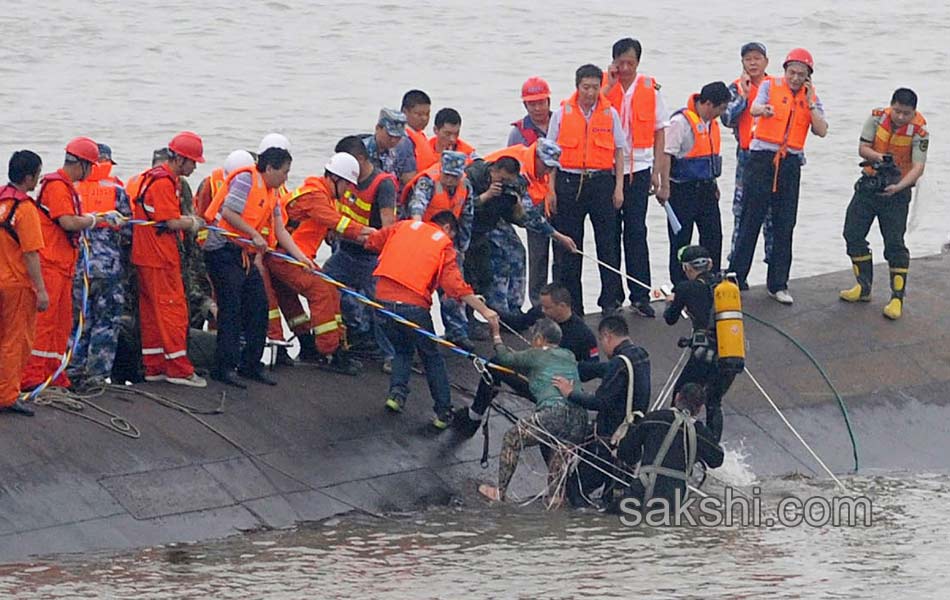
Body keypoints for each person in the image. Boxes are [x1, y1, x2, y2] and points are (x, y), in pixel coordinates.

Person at [364, 211, 499, 429]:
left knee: (401, 349)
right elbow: (453, 285)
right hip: (413, 307)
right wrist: (484, 310)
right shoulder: (443, 245)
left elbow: (372, 241)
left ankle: (396, 395)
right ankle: (443, 411)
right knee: (431, 356)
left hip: (382, 302)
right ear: (447, 229)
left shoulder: (403, 226)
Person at [202, 136, 315, 387]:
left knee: (259, 305)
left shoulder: (272, 191)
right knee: (231, 309)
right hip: (222, 251)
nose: (286, 178)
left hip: (243, 255)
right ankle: (224, 367)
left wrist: (301, 258)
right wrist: (253, 234)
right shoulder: (246, 179)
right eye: (284, 172)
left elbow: (281, 230)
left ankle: (251, 364)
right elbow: (229, 212)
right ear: (271, 168)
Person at [728, 48, 829, 304]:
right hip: (762, 159)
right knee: (750, 218)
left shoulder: (811, 97)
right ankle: (736, 277)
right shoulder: (770, 85)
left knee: (785, 223)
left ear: (808, 77)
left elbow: (822, 130)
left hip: (790, 162)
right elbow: (754, 109)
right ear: (784, 71)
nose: (795, 78)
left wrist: (810, 102)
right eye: (792, 72)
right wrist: (764, 110)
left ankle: (778, 283)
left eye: (801, 74)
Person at [454, 283, 601, 436]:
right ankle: (474, 416)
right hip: (533, 376)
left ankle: (475, 415)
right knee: (494, 365)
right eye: (542, 307)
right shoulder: (542, 313)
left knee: (499, 363)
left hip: (556, 390)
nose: (543, 311)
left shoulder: (583, 334)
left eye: (547, 308)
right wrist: (487, 308)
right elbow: (518, 322)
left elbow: (593, 368)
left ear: (562, 306)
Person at [274, 149, 373, 373]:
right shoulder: (315, 196)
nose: (348, 191)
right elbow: (339, 224)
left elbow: (326, 224)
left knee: (326, 290)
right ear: (334, 179)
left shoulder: (321, 194)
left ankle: (314, 344)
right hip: (286, 257)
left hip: (292, 256)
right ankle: (328, 351)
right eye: (347, 185)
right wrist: (374, 234)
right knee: (321, 290)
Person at [478, 318, 590, 504]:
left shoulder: (536, 353)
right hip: (579, 416)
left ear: (539, 338)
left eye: (533, 338)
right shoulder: (569, 355)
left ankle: (500, 492)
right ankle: (555, 498)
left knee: (512, 439)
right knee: (559, 454)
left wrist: (496, 335)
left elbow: (504, 358)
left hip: (554, 411)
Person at [126, 133, 208, 387]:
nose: (194, 167)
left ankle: (155, 366)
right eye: (193, 162)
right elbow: (170, 221)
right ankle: (179, 369)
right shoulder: (163, 182)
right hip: (160, 259)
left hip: (146, 256)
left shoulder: (151, 178)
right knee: (173, 312)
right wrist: (192, 222)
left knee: (151, 314)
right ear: (180, 159)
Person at [840, 88, 928, 320]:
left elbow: (918, 167)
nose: (900, 117)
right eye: (897, 111)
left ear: (914, 112)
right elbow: (863, 148)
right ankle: (863, 286)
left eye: (906, 113)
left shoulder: (920, 131)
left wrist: (899, 186)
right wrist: (880, 159)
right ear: (891, 106)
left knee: (895, 245)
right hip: (870, 185)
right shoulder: (877, 117)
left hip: (897, 193)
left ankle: (897, 298)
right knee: (852, 233)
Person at [21, 138, 100, 390]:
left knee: (62, 323)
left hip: (63, 265)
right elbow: (67, 222)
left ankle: (53, 373)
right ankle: (32, 375)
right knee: (45, 324)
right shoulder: (56, 186)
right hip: (50, 264)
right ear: (84, 164)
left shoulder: (67, 187)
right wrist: (92, 220)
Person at [548, 63, 627, 316]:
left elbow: (619, 151)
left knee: (608, 243)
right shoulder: (562, 114)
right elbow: (550, 156)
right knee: (570, 246)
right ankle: (574, 306)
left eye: (595, 87)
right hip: (569, 183)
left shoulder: (610, 113)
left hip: (601, 182)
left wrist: (619, 188)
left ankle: (610, 301)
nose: (591, 93)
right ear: (577, 87)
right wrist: (551, 190)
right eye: (586, 87)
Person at [553, 315, 651, 505]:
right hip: (632, 440)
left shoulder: (618, 362)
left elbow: (600, 402)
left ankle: (579, 529)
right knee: (613, 498)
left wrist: (570, 393)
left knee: (575, 488)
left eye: (601, 340)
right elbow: (616, 379)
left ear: (607, 336)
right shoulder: (642, 355)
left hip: (609, 442)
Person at [604, 38, 670, 317]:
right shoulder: (603, 88)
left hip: (640, 168)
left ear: (638, 62)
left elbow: (660, 131)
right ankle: (611, 297)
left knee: (636, 231)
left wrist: (657, 170)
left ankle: (640, 294)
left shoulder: (651, 89)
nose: (626, 68)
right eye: (621, 63)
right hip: (608, 168)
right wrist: (608, 83)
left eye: (631, 62)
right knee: (608, 234)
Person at [322, 135, 397, 360]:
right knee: (324, 283)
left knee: (382, 308)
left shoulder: (382, 184)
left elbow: (388, 228)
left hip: (370, 258)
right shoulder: (343, 181)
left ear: (361, 159)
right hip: (345, 252)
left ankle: (392, 356)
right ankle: (357, 335)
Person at [481, 139, 577, 308]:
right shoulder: (521, 171)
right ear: (537, 158)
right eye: (546, 166)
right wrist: (557, 235)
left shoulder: (533, 170)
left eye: (551, 168)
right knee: (507, 256)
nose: (548, 171)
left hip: (498, 210)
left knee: (517, 253)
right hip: (481, 211)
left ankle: (514, 307)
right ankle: (503, 309)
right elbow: (528, 215)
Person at [68, 143, 132, 389]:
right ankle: (96, 376)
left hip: (78, 267)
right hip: (108, 268)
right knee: (106, 323)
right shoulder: (115, 189)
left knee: (79, 322)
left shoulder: (70, 188)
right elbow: (128, 231)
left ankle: (72, 371)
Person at [659, 82, 732, 285]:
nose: (722, 113)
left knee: (713, 236)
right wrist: (664, 186)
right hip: (682, 190)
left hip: (707, 189)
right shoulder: (680, 123)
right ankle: (680, 285)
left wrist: (715, 185)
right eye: (721, 108)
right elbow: (666, 155)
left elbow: (708, 157)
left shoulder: (711, 123)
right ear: (708, 104)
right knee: (681, 241)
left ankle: (710, 281)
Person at [403, 150, 477, 350]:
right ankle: (421, 335)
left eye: (455, 176)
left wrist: (462, 247)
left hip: (449, 244)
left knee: (453, 290)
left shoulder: (466, 186)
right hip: (425, 242)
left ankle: (457, 333)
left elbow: (467, 218)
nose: (450, 180)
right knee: (419, 292)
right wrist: (417, 228)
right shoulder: (428, 182)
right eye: (447, 175)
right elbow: (417, 206)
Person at [664, 245, 737, 442]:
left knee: (681, 397)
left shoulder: (685, 288)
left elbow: (669, 318)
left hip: (703, 356)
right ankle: (713, 446)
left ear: (687, 268)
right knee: (713, 402)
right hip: (732, 353)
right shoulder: (726, 286)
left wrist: (673, 301)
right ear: (710, 264)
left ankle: (676, 443)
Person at [613, 383, 724, 512]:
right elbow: (717, 460)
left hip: (641, 491)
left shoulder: (653, 418)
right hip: (674, 500)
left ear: (677, 397)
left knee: (607, 517)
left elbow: (625, 453)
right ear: (699, 409)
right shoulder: (700, 432)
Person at [0, 150, 49, 416]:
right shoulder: (26, 210)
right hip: (16, 284)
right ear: (29, 177)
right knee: (14, 341)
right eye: (37, 175)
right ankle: (7, 395)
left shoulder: (1, 200)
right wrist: (41, 289)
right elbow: (31, 253)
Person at [721, 42, 774, 270]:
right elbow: (726, 118)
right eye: (748, 59)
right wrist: (743, 95)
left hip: (772, 155)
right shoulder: (735, 88)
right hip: (747, 155)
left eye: (757, 58)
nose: (753, 63)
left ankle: (773, 263)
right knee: (741, 209)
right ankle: (736, 266)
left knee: (772, 213)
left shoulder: (776, 86)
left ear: (766, 61)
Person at [394, 89, 434, 186]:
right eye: (419, 114)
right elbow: (407, 179)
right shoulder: (403, 140)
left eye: (427, 114)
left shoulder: (419, 134)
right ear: (404, 112)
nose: (424, 118)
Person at [363, 108, 409, 182]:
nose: (393, 140)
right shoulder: (362, 151)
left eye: (398, 137)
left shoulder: (398, 151)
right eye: (390, 135)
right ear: (378, 128)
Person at [508, 76, 552, 146]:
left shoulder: (561, 124)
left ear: (548, 102)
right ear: (525, 105)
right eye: (532, 104)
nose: (537, 108)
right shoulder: (516, 134)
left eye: (541, 103)